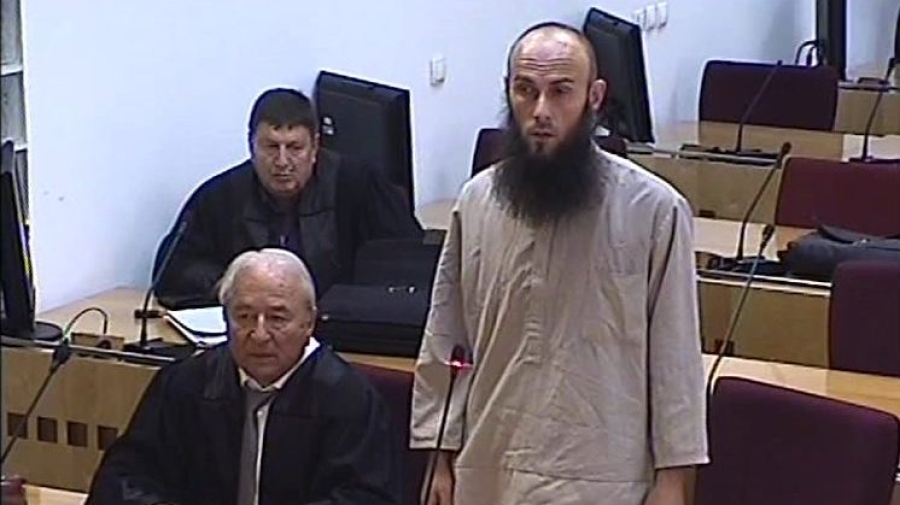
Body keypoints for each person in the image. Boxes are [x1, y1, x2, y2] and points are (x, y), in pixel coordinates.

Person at [410, 22, 708, 505]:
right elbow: (447, 335)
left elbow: (676, 360)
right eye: (526, 91)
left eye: (560, 92)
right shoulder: (478, 201)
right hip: (490, 466)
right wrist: (438, 457)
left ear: (595, 97)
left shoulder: (654, 210)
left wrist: (673, 480)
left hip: (603, 475)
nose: (541, 111)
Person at [87, 249, 404, 505]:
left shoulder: (348, 398)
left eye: (277, 318)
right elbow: (122, 478)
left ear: (310, 322)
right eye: (244, 316)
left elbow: (366, 497)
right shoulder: (187, 382)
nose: (259, 334)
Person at [154, 88, 423, 308]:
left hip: (340, 330)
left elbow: (405, 263)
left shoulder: (358, 185)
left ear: (315, 147)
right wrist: (229, 284)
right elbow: (173, 272)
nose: (282, 161)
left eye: (294, 147)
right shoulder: (221, 197)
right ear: (251, 145)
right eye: (271, 147)